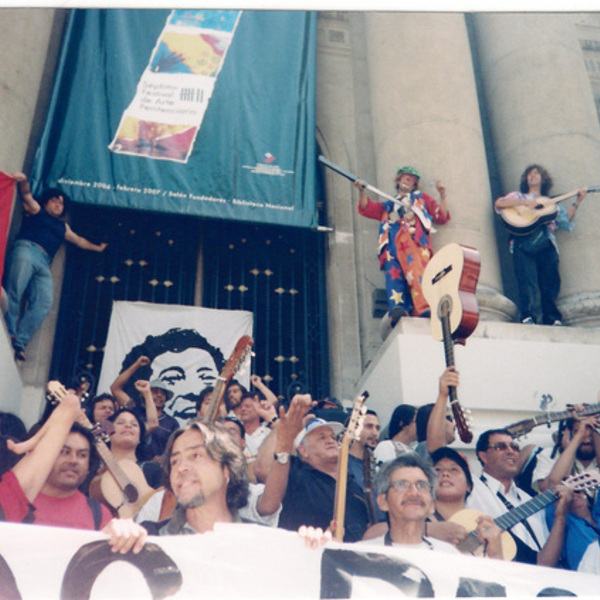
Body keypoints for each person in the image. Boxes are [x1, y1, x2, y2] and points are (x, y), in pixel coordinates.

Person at [3, 172, 107, 360]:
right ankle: (8, 331)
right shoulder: (37, 211)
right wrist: (25, 180)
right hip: (27, 249)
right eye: (55, 201)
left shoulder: (63, 227)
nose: (59, 205)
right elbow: (26, 194)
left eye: (61, 203)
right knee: (14, 289)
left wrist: (97, 249)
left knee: (44, 302)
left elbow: (80, 241)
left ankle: (20, 341)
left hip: (44, 262)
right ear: (46, 202)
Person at [256, 408, 370, 542]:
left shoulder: (353, 486)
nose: (330, 441)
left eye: (333, 437)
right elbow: (263, 469)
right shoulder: (295, 473)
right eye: (322, 437)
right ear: (303, 451)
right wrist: (285, 427)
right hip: (306, 557)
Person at [355, 166, 450, 324]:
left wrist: (443, 195)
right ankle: (398, 309)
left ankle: (423, 307)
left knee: (418, 271)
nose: (408, 180)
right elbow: (367, 208)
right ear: (398, 180)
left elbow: (442, 216)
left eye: (412, 179)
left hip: (414, 239)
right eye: (405, 177)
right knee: (394, 276)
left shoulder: (421, 199)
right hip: (392, 243)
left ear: (415, 184)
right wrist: (361, 191)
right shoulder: (388, 205)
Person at [494, 164, 586, 325]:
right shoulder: (518, 196)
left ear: (543, 179)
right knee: (526, 280)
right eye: (529, 174)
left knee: (550, 281)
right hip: (522, 242)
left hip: (546, 242)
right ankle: (527, 315)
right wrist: (524, 204)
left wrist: (577, 201)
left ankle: (551, 317)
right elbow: (500, 203)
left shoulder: (550, 203)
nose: (533, 175)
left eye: (536, 173)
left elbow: (564, 221)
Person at [467, 428, 572, 566]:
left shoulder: (530, 501)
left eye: (515, 447)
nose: (510, 451)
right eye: (501, 447)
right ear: (483, 456)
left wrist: (560, 514)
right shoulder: (472, 489)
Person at [115, 328, 225, 423]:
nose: (190, 392)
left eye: (206, 377)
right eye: (172, 378)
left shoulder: (172, 423)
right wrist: (137, 364)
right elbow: (115, 389)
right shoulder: (135, 412)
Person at [365, 452, 458, 552]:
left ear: (431, 505)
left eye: (422, 485)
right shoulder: (366, 555)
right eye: (402, 485)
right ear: (383, 502)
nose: (414, 493)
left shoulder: (448, 554)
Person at [32, 423, 113, 530]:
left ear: (89, 466)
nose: (73, 460)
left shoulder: (100, 515)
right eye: (65, 452)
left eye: (82, 455)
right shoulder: (15, 501)